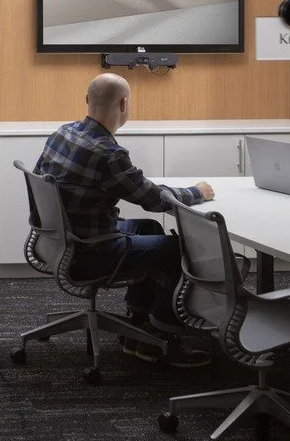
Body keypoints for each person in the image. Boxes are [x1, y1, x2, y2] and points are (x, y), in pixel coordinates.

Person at [35, 73, 216, 368]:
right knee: (179, 250)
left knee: (149, 228)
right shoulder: (108, 153)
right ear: (124, 104)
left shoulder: (62, 133)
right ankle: (161, 338)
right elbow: (156, 200)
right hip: (89, 251)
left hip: (58, 240)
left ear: (86, 100)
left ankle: (138, 321)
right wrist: (197, 192)